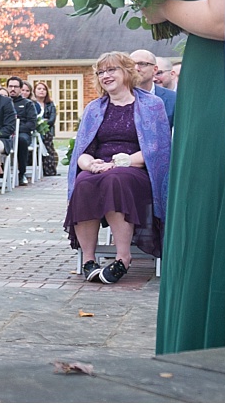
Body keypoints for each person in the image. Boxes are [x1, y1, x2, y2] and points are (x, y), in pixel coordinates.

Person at [145, 0, 225, 352]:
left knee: (214, 200)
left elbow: (224, 19)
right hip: (222, 71)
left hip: (223, 75)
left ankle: (214, 339)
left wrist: (160, 4)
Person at [64, 51, 171, 285]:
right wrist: (89, 164)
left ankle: (123, 257)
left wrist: (121, 162)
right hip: (100, 168)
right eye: (101, 72)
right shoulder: (95, 108)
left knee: (117, 179)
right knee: (82, 183)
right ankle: (88, 260)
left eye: (111, 70)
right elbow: (82, 150)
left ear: (126, 72)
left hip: (135, 169)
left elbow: (158, 150)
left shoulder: (152, 105)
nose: (105, 75)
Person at [128, 49, 176, 125]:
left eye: (142, 64)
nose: (136, 68)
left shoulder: (173, 98)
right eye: (131, 65)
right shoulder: (117, 98)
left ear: (155, 69)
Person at [7, 77, 38, 185]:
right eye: (10, 86)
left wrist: (16, 129)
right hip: (5, 133)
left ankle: (22, 174)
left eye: (15, 87)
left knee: (21, 140)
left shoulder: (28, 104)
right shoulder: (3, 103)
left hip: (22, 134)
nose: (12, 89)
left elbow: (32, 124)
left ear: (20, 89)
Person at [37, 80, 58, 177]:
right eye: (39, 89)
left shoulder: (50, 105)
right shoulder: (31, 104)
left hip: (47, 131)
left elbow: (51, 120)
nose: (41, 91)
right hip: (34, 130)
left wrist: (42, 122)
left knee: (48, 147)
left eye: (44, 89)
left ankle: (49, 170)